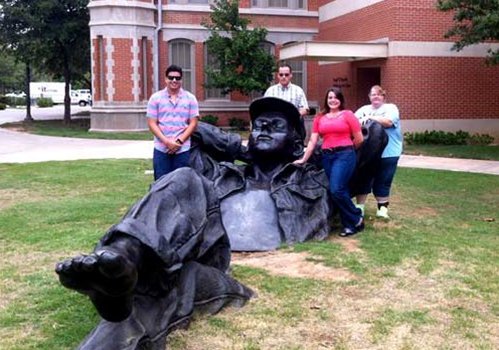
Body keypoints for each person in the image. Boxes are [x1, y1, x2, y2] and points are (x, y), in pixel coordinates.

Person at [55, 97, 337, 349]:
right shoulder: (224, 174)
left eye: (275, 126)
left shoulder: (312, 178)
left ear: (297, 142)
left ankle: (121, 275)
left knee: (175, 276)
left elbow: (365, 149)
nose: (262, 130)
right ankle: (126, 253)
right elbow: (197, 133)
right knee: (183, 178)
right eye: (258, 125)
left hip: (213, 252)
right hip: (183, 243)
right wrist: (240, 151)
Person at [294, 87, 365, 237]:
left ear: (341, 100)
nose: (333, 100)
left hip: (344, 155)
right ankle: (350, 225)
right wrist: (304, 158)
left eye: (336, 97)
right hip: (327, 156)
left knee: (336, 189)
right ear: (326, 100)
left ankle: (356, 216)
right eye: (330, 97)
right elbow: (313, 141)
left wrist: (347, 149)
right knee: (341, 189)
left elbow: (359, 139)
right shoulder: (320, 117)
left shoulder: (348, 115)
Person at [354, 85, 403, 219]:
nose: (376, 96)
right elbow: (351, 123)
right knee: (363, 178)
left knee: (383, 179)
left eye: (379, 94)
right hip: (367, 153)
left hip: (389, 152)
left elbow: (387, 122)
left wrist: (370, 118)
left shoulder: (390, 108)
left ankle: (382, 209)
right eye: (373, 94)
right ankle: (360, 207)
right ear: (369, 97)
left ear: (383, 97)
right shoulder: (363, 109)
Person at [146, 64, 199, 180]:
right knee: (161, 185)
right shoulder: (155, 98)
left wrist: (179, 142)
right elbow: (151, 123)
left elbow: (193, 123)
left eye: (177, 78)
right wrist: (167, 142)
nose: (174, 80)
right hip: (161, 149)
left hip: (183, 149)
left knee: (181, 185)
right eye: (171, 77)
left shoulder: (190, 98)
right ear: (165, 79)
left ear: (181, 80)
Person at [264, 64, 309, 139]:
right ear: (278, 75)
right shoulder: (270, 91)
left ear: (291, 75)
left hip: (293, 128)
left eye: (286, 74)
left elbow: (305, 109)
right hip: (274, 128)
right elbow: (264, 109)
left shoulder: (298, 90)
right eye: (281, 74)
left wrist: (293, 115)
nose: (284, 77)